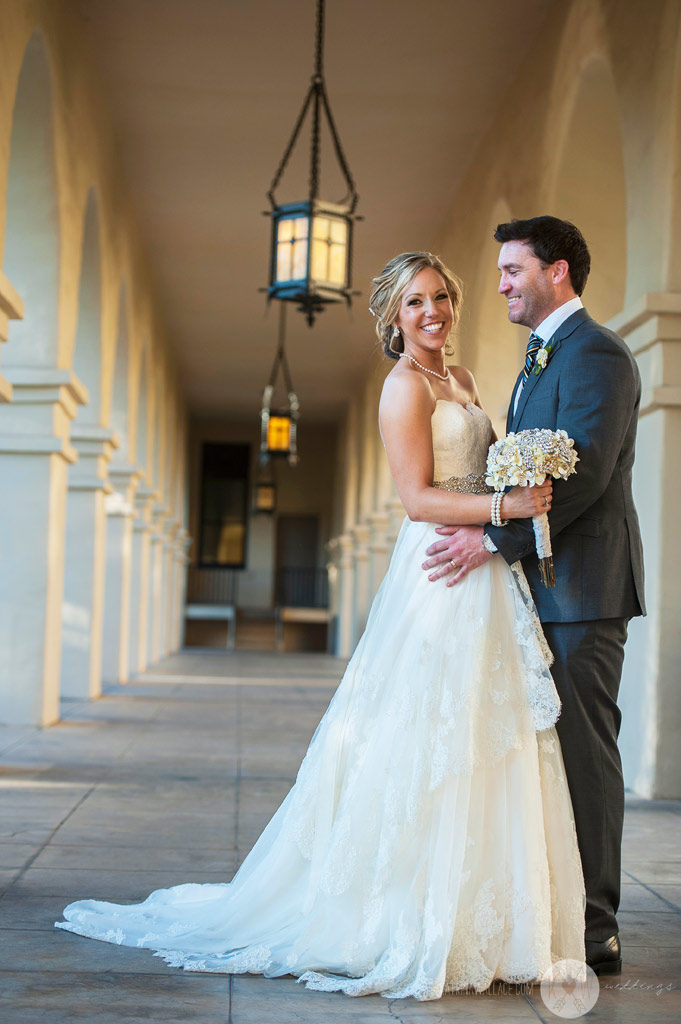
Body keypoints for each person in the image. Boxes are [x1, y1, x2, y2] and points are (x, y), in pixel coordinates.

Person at [56, 252, 586, 1001]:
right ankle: (403, 912)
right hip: (437, 568)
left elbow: (480, 469)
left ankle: (492, 919)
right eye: (414, 303)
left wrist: (518, 487)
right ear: (392, 318)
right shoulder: (402, 388)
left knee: (486, 730)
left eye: (440, 297)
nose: (431, 312)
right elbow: (415, 498)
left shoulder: (460, 382)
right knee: (423, 728)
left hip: (484, 568)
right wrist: (512, 508)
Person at [422, 218, 645, 977]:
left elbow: (575, 477)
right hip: (538, 588)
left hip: (581, 589)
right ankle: (549, 907)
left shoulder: (597, 355)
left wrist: (490, 540)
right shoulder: (538, 357)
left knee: (583, 753)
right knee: (540, 759)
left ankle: (595, 925)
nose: (501, 284)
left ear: (556, 271)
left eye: (512, 269)